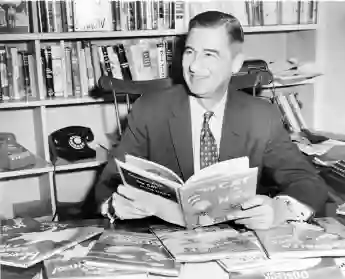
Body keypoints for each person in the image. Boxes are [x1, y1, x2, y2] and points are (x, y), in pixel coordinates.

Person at [95, 11, 329, 230]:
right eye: (190, 52)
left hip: (238, 239)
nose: (194, 66)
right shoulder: (149, 110)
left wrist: (280, 209)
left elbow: (307, 182)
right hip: (165, 235)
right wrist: (114, 205)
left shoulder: (261, 116)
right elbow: (108, 183)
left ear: (236, 63)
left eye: (210, 54)